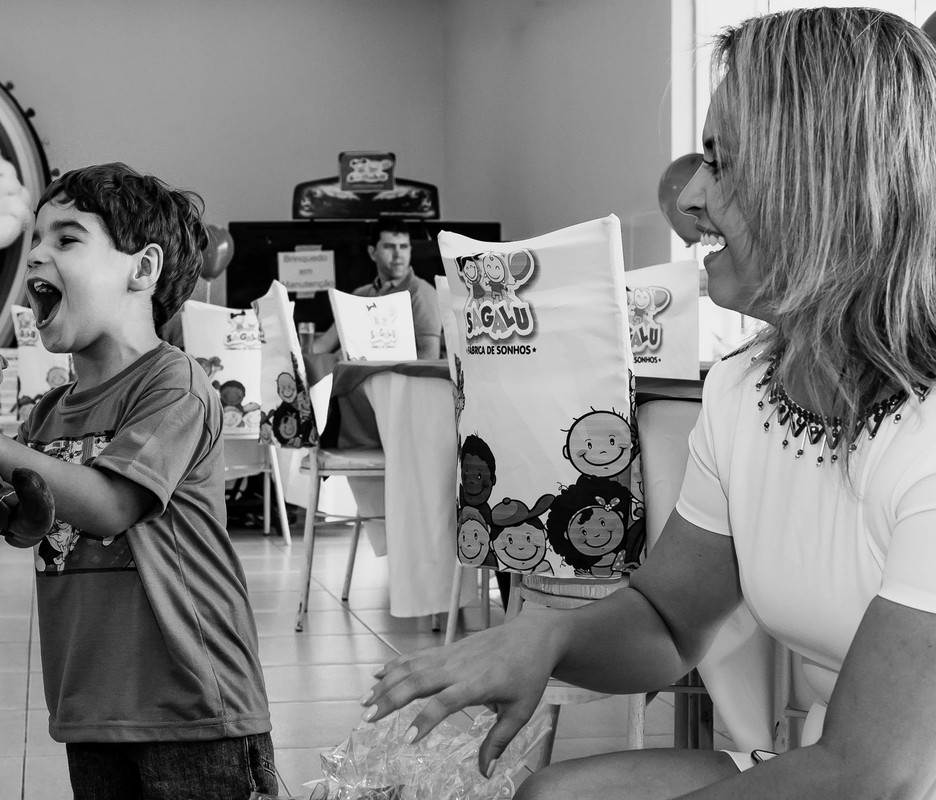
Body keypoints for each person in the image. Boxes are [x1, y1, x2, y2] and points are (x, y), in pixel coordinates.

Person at [362, 7, 936, 798]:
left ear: (827, 182)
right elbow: (668, 620)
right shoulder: (745, 392)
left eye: (723, 162)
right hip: (841, 767)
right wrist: (547, 638)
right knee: (551, 793)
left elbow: (873, 774)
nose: (692, 196)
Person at [0, 163, 278, 799]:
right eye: (36, 238)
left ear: (142, 269)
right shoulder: (48, 413)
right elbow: (1, 514)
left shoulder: (174, 384)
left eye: (67, 239)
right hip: (89, 706)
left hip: (193, 705)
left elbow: (113, 506)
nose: (36, 254)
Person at [312, 219, 442, 359]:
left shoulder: (421, 292)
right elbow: (325, 343)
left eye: (403, 247)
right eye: (389, 246)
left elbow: (430, 355)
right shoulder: (360, 295)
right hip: (355, 375)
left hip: (396, 378)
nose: (398, 254)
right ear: (372, 253)